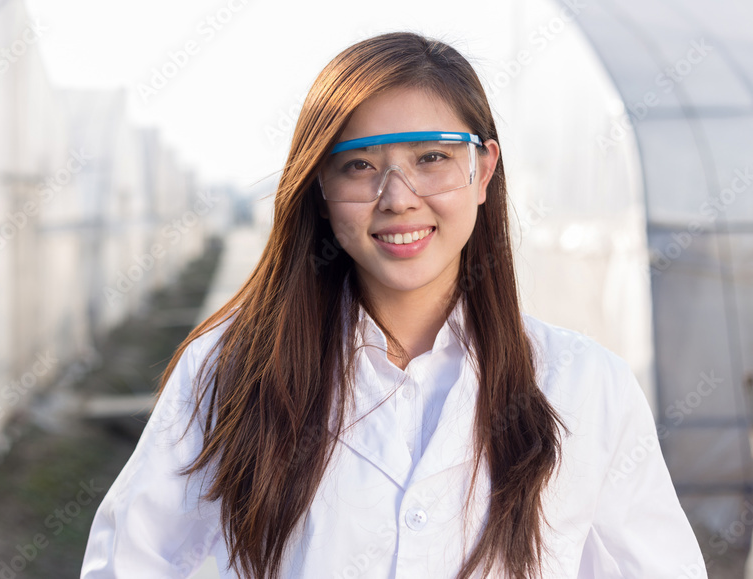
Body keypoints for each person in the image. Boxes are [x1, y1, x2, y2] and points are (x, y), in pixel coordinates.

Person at [80, 32, 708, 578]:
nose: (398, 197)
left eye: (432, 158)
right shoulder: (228, 371)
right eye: (359, 167)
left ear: (483, 171)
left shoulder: (586, 385)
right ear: (319, 186)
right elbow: (130, 564)